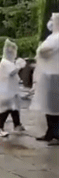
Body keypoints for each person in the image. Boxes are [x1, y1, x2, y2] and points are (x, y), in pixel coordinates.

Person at [32, 12, 59, 145]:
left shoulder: (57, 37)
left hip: (55, 74)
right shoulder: (52, 36)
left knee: (55, 107)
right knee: (49, 106)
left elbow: (45, 50)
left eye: (52, 20)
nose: (49, 22)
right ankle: (50, 132)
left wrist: (41, 51)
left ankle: (57, 134)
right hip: (49, 74)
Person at [0, 40, 27, 137]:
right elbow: (12, 72)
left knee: (15, 108)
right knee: (5, 109)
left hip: (11, 89)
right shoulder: (5, 63)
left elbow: (15, 75)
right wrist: (19, 65)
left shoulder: (9, 62)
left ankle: (17, 125)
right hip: (6, 90)